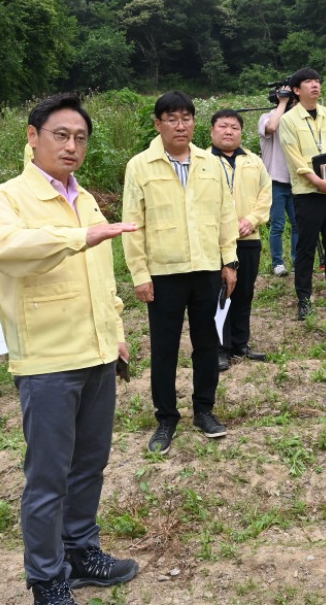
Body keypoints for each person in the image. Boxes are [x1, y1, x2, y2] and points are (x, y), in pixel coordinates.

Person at [0, 93, 139, 605]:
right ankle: (46, 578)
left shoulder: (85, 197)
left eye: (80, 138)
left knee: (90, 465)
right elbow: (5, 250)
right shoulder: (6, 200)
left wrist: (115, 331)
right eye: (61, 135)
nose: (72, 147)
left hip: (96, 354)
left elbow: (99, 276)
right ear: (33, 137)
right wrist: (78, 236)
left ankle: (81, 551)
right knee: (47, 478)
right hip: (49, 361)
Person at [122, 91, 239, 454]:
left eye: (186, 118)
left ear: (194, 123)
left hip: (206, 269)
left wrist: (229, 260)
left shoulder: (209, 163)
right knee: (165, 349)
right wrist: (140, 274)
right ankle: (166, 418)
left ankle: (204, 410)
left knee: (206, 345)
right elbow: (132, 224)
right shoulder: (140, 166)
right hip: (163, 274)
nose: (180, 125)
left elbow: (225, 213)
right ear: (157, 124)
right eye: (171, 118)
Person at [278, 68, 326, 320]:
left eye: (317, 81)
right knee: (306, 247)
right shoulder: (289, 121)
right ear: (296, 90)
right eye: (308, 82)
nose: (315, 85)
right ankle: (304, 300)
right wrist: (315, 180)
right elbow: (294, 157)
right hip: (308, 193)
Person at [210, 109, 272, 370]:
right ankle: (219, 348)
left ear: (241, 132)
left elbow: (265, 193)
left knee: (244, 292)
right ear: (212, 131)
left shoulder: (254, 161)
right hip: (216, 242)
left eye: (234, 127)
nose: (228, 131)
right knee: (220, 294)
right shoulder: (203, 161)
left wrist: (251, 219)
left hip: (248, 238)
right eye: (223, 126)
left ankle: (240, 343)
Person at [259, 87, 299, 277]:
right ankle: (278, 263)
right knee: (278, 225)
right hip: (275, 180)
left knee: (298, 224)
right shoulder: (267, 117)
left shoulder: (296, 120)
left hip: (296, 181)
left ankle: (298, 262)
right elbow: (272, 128)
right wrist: (282, 102)